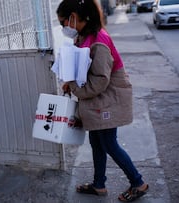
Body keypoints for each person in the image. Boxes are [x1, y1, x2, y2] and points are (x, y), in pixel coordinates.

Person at [56, 0, 148, 202]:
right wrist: (70, 82)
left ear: (74, 17)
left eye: (64, 22)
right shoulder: (84, 36)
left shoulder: (98, 40)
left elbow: (100, 80)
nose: (64, 28)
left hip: (108, 98)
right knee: (96, 142)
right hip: (99, 100)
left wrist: (74, 88)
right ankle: (99, 185)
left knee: (109, 143)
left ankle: (138, 182)